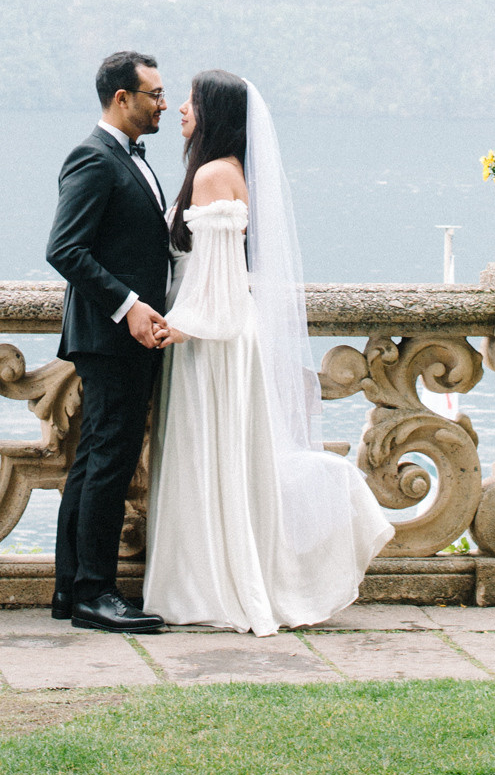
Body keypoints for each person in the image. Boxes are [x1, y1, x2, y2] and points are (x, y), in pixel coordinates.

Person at [143, 69, 394, 632]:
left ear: (216, 116)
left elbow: (223, 277)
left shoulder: (211, 174)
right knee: (226, 456)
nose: (181, 109)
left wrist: (182, 326)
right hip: (220, 334)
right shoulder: (225, 172)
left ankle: (209, 586)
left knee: (213, 456)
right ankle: (215, 576)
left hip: (212, 341)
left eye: (192, 102)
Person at [45, 49, 176, 633]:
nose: (163, 106)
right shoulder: (93, 158)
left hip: (122, 336)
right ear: (121, 98)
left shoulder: (131, 158)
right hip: (112, 336)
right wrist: (129, 307)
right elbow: (64, 250)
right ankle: (96, 592)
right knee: (108, 463)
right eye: (153, 95)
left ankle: (72, 588)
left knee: (96, 460)